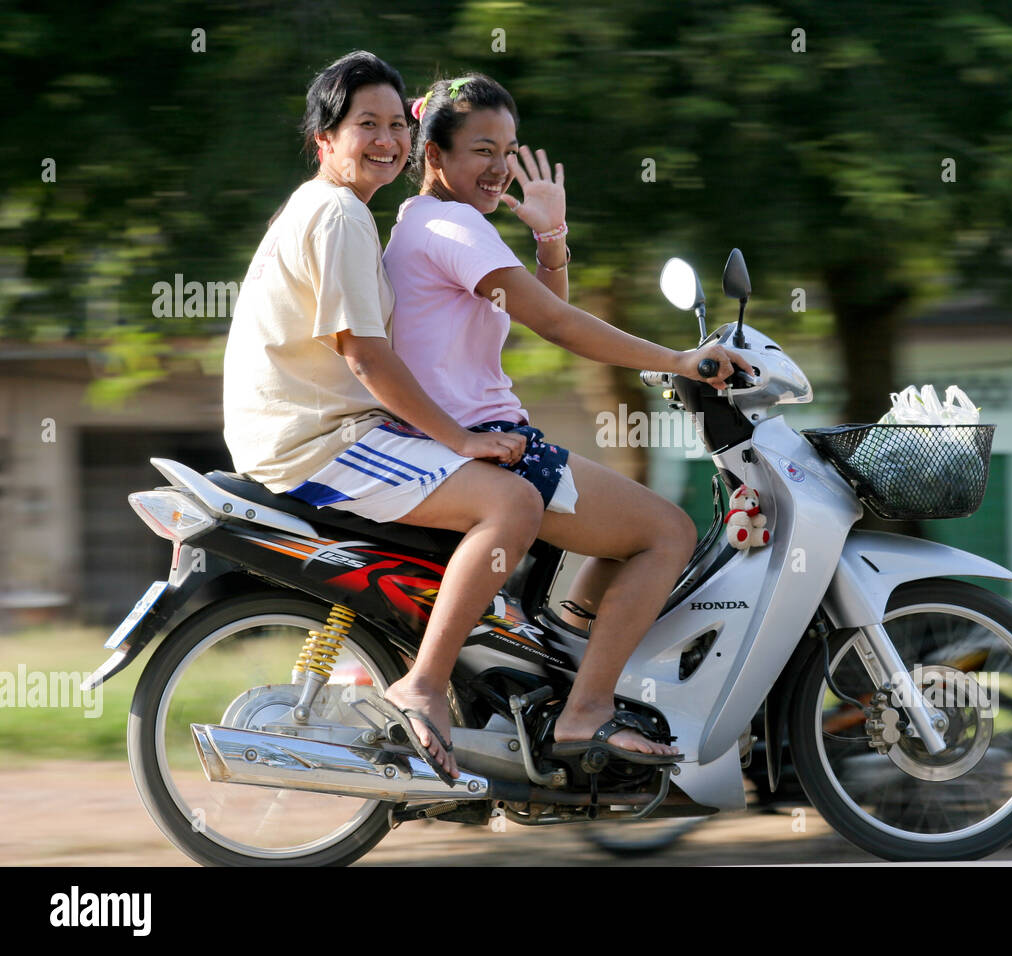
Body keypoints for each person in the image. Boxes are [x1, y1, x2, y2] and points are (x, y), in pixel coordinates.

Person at [377, 73, 751, 777]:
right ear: (434, 155)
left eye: (510, 150)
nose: (499, 167)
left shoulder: (428, 226)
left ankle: (570, 668)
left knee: (624, 538)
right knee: (665, 531)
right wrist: (680, 358)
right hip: (487, 446)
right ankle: (586, 712)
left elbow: (544, 315)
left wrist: (551, 235)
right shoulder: (452, 226)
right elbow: (556, 322)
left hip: (464, 439)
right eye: (481, 149)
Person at [222, 52, 543, 783]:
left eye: (398, 124)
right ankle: (423, 686)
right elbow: (366, 356)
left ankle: (430, 706)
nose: (387, 139)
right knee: (513, 505)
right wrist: (458, 436)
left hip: (310, 430)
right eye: (367, 124)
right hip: (318, 439)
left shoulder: (338, 211)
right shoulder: (338, 215)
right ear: (324, 139)